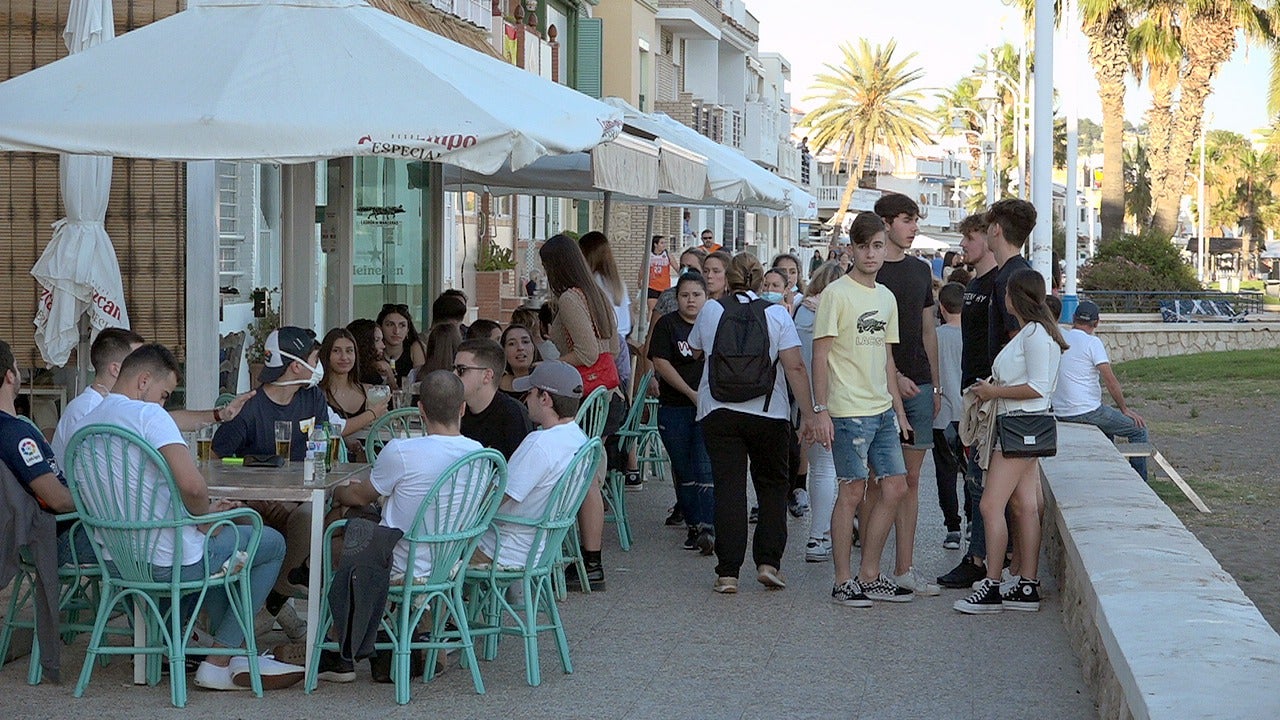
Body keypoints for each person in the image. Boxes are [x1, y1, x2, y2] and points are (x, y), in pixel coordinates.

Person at [79, 344, 303, 689]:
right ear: (143, 382)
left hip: (118, 562)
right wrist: (204, 518)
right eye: (165, 394)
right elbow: (193, 487)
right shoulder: (148, 416)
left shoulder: (88, 423)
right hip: (171, 561)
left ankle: (232, 648)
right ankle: (220, 658)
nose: (164, 404)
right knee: (268, 542)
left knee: (227, 548)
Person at [690, 253, 830, 595]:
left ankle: (728, 572)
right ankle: (768, 563)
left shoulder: (711, 309)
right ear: (758, 282)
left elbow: (694, 351)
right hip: (769, 413)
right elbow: (795, 367)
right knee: (771, 488)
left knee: (729, 488)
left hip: (718, 411)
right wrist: (810, 414)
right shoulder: (777, 314)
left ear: (729, 279)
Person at [811, 213, 913, 607]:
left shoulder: (886, 298)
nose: (871, 254)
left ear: (885, 248)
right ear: (851, 249)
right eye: (864, 246)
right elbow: (820, 355)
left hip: (882, 409)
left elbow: (887, 358)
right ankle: (842, 580)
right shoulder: (836, 294)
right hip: (846, 409)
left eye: (877, 246)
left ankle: (869, 574)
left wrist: (899, 410)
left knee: (895, 487)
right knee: (851, 492)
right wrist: (820, 410)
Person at [955, 268, 1067, 614]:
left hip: (1019, 427)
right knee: (1024, 505)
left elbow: (1037, 386)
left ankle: (992, 583)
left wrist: (993, 391)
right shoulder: (1037, 333)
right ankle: (1027, 584)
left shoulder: (1033, 335)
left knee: (991, 505)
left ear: (1015, 297)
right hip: (1024, 425)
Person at [212, 326, 345, 603]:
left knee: (310, 515)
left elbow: (323, 454)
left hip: (299, 500)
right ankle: (269, 602)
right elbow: (216, 460)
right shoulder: (249, 408)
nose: (319, 365)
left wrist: (294, 498)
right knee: (245, 522)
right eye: (314, 358)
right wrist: (252, 496)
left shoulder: (313, 398)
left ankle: (274, 593)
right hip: (254, 503)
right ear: (295, 367)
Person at [332, 369, 482, 580]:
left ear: (420, 409)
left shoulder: (401, 451)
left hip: (397, 563)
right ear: (463, 409)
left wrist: (337, 492)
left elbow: (358, 496)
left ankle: (315, 588)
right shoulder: (480, 454)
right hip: (449, 564)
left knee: (336, 532)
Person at [868, 192, 941, 597]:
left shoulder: (920, 270)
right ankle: (870, 571)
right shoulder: (870, 272)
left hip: (919, 384)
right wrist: (893, 378)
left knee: (912, 480)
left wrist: (935, 384)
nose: (914, 228)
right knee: (878, 480)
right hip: (878, 389)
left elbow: (928, 330)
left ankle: (904, 569)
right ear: (886, 222)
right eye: (908, 220)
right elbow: (866, 338)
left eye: (915, 221)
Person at [538, 234, 619, 591]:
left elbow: (586, 352)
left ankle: (590, 561)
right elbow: (612, 346)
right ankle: (592, 561)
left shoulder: (570, 297)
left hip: (581, 398)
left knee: (586, 481)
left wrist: (550, 370)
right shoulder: (596, 292)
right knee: (590, 478)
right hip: (607, 397)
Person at [52, 328, 253, 463]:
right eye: (138, 358)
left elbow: (168, 419)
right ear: (116, 369)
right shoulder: (87, 410)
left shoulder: (115, 407)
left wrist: (220, 415)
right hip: (90, 520)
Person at [938, 213, 1003, 589]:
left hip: (989, 395)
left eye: (970, 238)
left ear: (990, 237)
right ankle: (977, 554)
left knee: (980, 483)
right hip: (971, 395)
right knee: (973, 481)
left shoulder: (999, 283)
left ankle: (980, 560)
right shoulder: (975, 283)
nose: (963, 245)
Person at [474, 361, 590, 568]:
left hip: (501, 548)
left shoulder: (540, 443)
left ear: (544, 399)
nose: (525, 399)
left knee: (429, 546)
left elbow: (499, 495)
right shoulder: (580, 439)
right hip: (542, 547)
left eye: (529, 393)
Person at [0, 339, 94, 567]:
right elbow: (58, 500)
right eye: (16, 364)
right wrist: (101, 498)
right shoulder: (16, 434)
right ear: (10, 376)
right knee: (141, 542)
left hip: (25, 538)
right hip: (57, 540)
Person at [647, 272, 715, 554]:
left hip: (708, 409)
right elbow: (660, 361)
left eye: (697, 295)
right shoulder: (667, 325)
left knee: (705, 468)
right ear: (676, 299)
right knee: (683, 469)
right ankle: (692, 524)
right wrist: (690, 392)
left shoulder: (713, 323)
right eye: (685, 295)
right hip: (675, 406)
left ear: (706, 298)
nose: (691, 300)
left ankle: (708, 527)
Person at [791, 260, 848, 563]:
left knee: (820, 468)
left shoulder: (801, 311)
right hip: (843, 398)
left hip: (809, 400)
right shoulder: (843, 311)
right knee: (842, 471)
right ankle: (825, 533)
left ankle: (818, 535)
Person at [1052, 301, 1149, 478]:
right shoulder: (1092, 343)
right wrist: (1124, 409)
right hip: (1086, 410)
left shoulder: (1061, 336)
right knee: (1138, 430)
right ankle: (1140, 480)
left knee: (1108, 429)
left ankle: (1106, 473)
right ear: (1096, 323)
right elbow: (1110, 381)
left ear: (1074, 319)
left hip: (1060, 410)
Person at [455, 338, 533, 460]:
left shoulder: (513, 415)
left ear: (487, 376)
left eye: (461, 370)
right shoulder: (456, 410)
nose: (453, 375)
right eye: (453, 368)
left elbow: (522, 472)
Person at [932, 282, 968, 549]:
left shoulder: (934, 336)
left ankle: (952, 527)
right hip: (968, 415)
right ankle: (971, 523)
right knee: (971, 474)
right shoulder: (972, 336)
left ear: (941, 308)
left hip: (941, 415)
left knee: (945, 473)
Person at [579, 231, 634, 398]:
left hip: (605, 350)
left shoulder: (592, 284)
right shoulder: (618, 283)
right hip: (623, 347)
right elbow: (631, 319)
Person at [318, 327, 390, 442]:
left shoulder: (369, 391)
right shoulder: (318, 395)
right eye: (336, 351)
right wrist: (372, 414)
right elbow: (333, 428)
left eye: (349, 351)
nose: (344, 357)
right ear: (326, 355)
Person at [378, 304, 425, 387]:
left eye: (402, 325)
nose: (396, 331)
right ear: (380, 327)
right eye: (390, 324)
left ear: (408, 330)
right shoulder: (374, 348)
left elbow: (419, 384)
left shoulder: (415, 348)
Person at [347, 318, 395, 387]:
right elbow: (394, 396)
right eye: (377, 340)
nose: (383, 346)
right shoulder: (369, 377)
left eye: (381, 340)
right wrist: (389, 374)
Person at [497, 324, 540, 401]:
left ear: (533, 347)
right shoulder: (498, 385)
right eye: (512, 344)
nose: (520, 347)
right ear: (504, 351)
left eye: (525, 342)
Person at [647, 234, 675, 313]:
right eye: (662, 243)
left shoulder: (667, 254)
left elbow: (676, 267)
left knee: (664, 310)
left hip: (665, 287)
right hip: (652, 286)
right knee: (652, 309)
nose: (664, 245)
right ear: (655, 244)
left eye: (664, 243)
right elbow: (643, 269)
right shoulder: (649, 255)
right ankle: (649, 324)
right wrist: (639, 280)